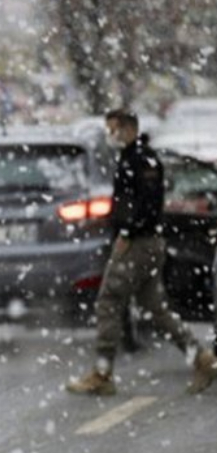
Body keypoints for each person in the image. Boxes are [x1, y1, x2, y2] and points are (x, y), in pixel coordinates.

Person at [66, 110, 217, 396]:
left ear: (127, 128)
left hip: (138, 243)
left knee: (108, 300)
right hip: (141, 241)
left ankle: (102, 372)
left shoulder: (141, 160)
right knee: (155, 308)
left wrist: (127, 233)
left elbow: (147, 206)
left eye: (112, 129)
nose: (109, 135)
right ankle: (201, 358)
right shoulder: (130, 158)